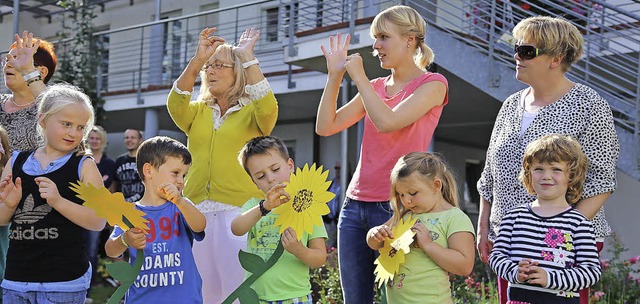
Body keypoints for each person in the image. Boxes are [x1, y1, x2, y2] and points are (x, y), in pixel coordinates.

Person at [475, 16, 619, 304]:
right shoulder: (510, 105)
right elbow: (490, 174)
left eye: (527, 51)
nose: (517, 55)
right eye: (516, 48)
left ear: (557, 58)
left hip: (563, 243)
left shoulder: (590, 105)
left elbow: (602, 179)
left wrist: (560, 228)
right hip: (510, 241)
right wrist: (483, 227)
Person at [315, 5, 449, 302]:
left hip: (398, 207)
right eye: (375, 38)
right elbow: (326, 127)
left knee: (399, 297)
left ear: (410, 40)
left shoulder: (433, 84)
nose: (375, 46)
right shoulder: (376, 87)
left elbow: (388, 122)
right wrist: (334, 77)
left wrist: (360, 78)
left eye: (383, 37)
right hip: (354, 206)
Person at [167, 27, 278, 303]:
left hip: (239, 212)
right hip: (197, 212)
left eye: (219, 65)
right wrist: (196, 60)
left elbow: (269, 107)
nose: (210, 71)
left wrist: (247, 58)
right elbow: (175, 102)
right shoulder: (198, 110)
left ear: (237, 71)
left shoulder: (253, 112)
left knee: (238, 291)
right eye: (208, 66)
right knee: (203, 292)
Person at [0, 83, 106, 303]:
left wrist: (58, 201)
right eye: (66, 124)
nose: (73, 133)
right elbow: (1, 219)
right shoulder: (16, 160)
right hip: (16, 280)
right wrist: (9, 205)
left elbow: (98, 221)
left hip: (63, 282)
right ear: (42, 120)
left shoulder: (84, 165)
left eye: (80, 127)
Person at [489, 134, 601, 303]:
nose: (546, 176)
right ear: (529, 174)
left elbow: (590, 271)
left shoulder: (579, 223)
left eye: (556, 169)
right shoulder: (513, 217)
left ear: (571, 176)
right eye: (539, 169)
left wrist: (550, 278)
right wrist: (515, 272)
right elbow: (496, 257)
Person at [105, 136, 206, 304]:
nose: (180, 181)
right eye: (175, 173)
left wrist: (180, 201)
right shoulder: (130, 212)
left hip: (184, 298)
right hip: (143, 298)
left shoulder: (180, 206)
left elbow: (200, 225)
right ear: (149, 171)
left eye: (184, 175)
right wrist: (125, 239)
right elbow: (111, 250)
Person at [367, 152, 475, 303]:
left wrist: (428, 245)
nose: (407, 201)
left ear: (436, 185)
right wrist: (374, 233)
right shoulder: (405, 215)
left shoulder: (455, 218)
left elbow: (464, 266)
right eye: (401, 194)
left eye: (412, 193)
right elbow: (375, 243)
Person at [231, 136, 326, 303]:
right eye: (260, 176)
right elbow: (236, 228)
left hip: (295, 297)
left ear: (290, 165)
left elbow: (319, 258)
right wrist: (264, 207)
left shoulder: (308, 205)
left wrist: (298, 249)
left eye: (275, 169)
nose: (270, 179)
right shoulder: (255, 206)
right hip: (256, 298)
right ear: (254, 182)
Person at [0, 33, 56, 303]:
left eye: (16, 58)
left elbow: (57, 114)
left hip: (33, 212)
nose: (6, 63)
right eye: (7, 58)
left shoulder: (51, 109)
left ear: (40, 71)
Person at [85, 125, 117, 293]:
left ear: (103, 141)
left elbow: (111, 189)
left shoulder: (109, 164)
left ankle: (88, 288)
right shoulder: (80, 159)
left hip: (97, 212)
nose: (95, 141)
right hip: (78, 208)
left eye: (98, 138)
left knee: (91, 250)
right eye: (92, 138)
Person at [114, 129, 144, 202]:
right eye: (127, 138)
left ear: (140, 140)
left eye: (133, 137)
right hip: (123, 207)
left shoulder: (145, 160)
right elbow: (114, 184)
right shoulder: (119, 161)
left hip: (142, 207)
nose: (129, 140)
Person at [323, 161, 341, 248]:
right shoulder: (331, 183)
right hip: (328, 220)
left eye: (339, 168)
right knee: (327, 245)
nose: (338, 170)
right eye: (336, 168)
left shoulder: (347, 183)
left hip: (337, 220)